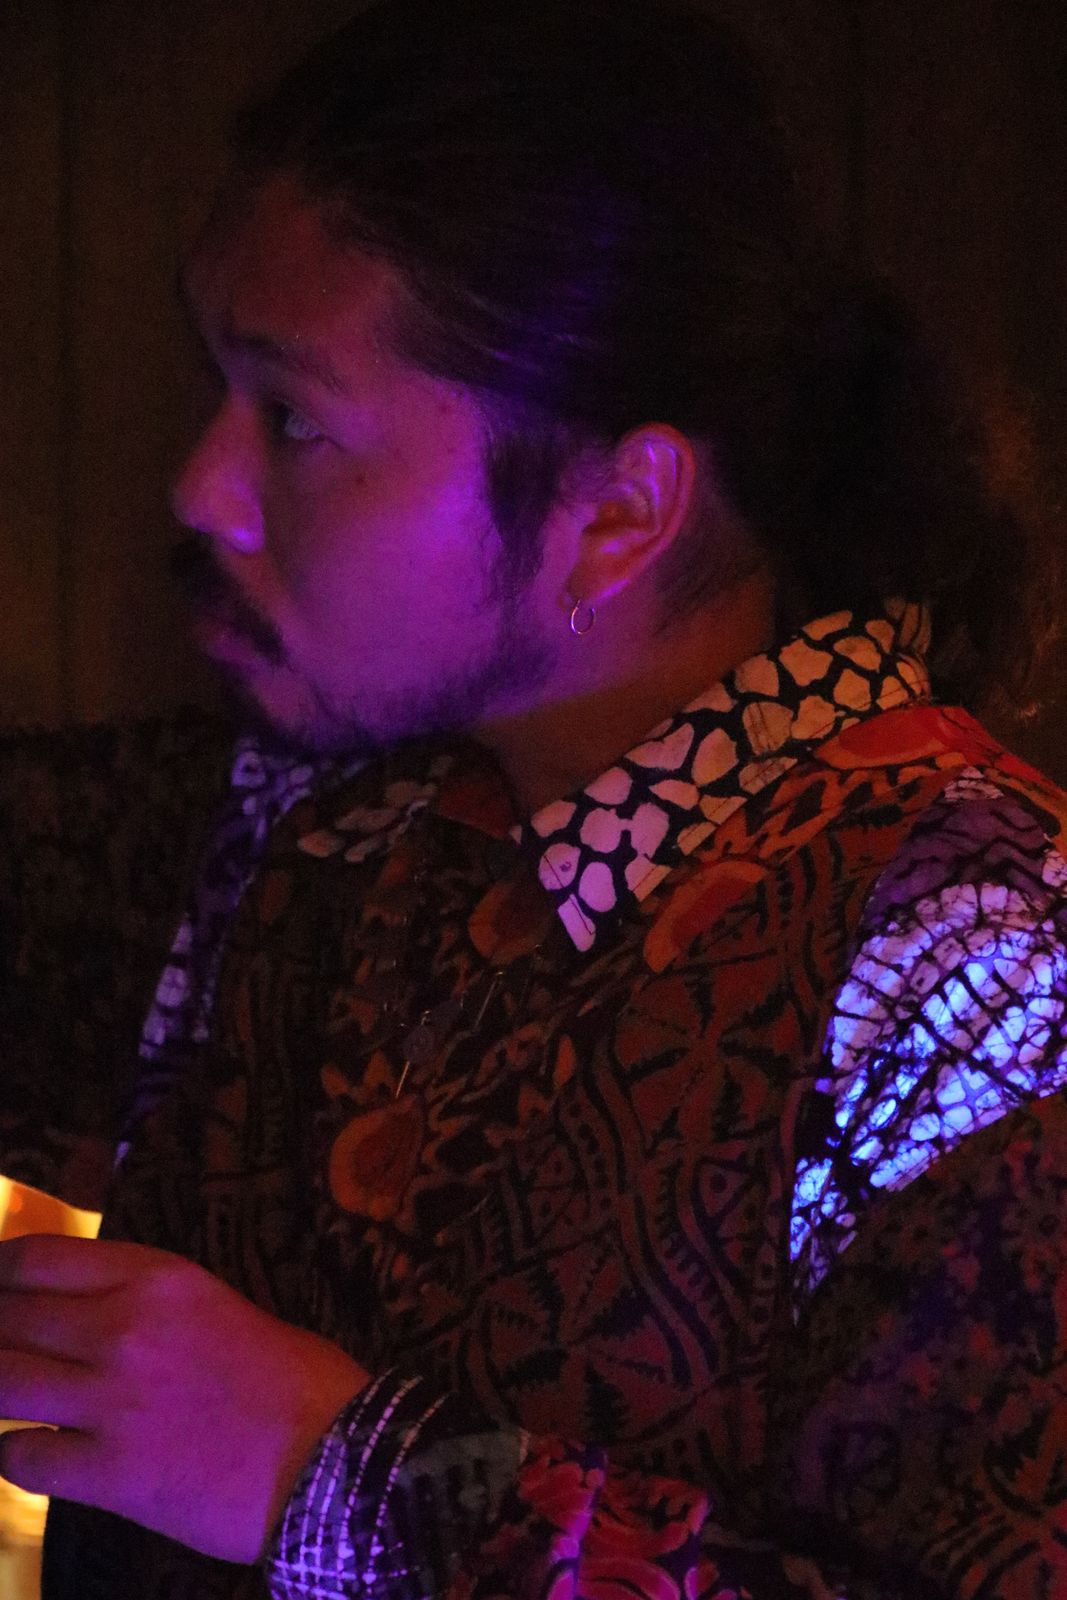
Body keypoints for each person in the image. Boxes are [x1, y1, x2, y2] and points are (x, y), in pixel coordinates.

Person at [1, 1, 1066, 1596]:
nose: (201, 487)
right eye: (215, 382)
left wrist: (325, 1479)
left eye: (293, 419)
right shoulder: (314, 823)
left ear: (617, 511)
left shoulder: (973, 967)